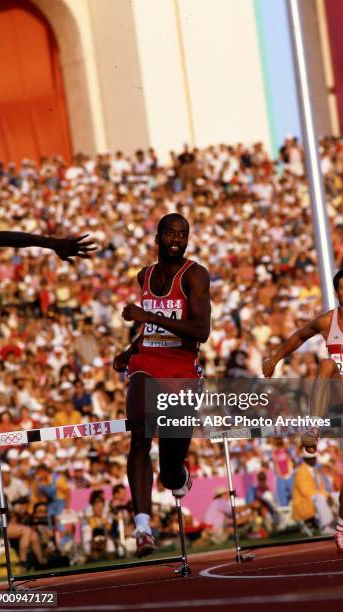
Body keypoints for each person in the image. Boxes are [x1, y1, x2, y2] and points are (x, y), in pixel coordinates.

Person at [263, 267, 343, 554]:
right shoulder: (327, 321)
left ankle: (341, 530)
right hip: (336, 391)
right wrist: (274, 358)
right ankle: (313, 427)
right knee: (327, 365)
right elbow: (299, 336)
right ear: (337, 292)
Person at [113, 214, 211, 557]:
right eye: (170, 232)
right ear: (158, 236)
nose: (176, 239)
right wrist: (131, 350)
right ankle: (142, 528)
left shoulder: (195, 275)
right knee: (139, 435)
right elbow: (151, 328)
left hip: (182, 370)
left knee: (170, 471)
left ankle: (177, 477)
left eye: (182, 234)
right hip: (148, 363)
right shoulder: (146, 275)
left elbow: (201, 331)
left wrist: (149, 317)